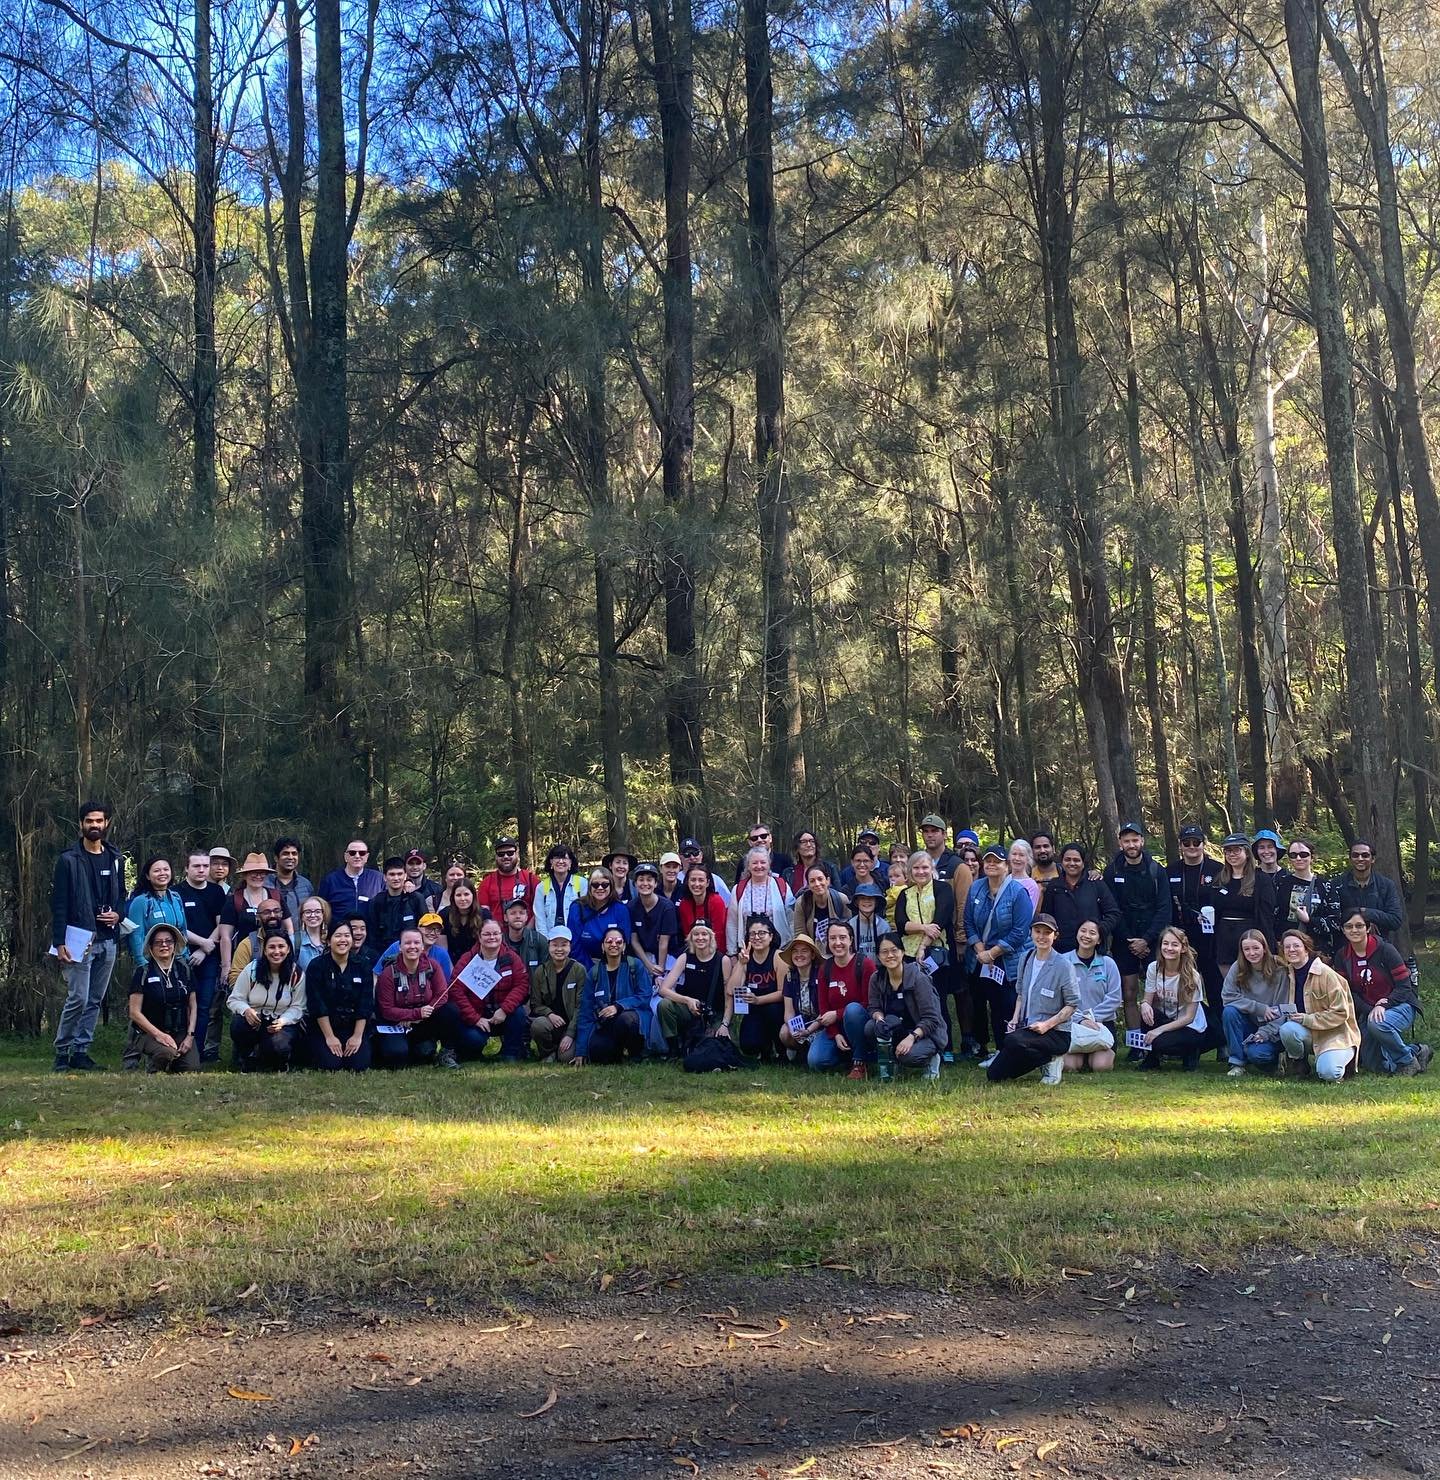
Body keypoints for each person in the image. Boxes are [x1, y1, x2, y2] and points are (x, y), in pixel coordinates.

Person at [51, 801, 126, 1072]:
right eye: (89, 821)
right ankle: (62, 1052)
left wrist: (117, 914)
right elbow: (58, 903)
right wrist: (59, 942)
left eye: (99, 821)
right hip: (78, 939)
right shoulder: (68, 860)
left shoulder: (116, 858)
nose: (94, 825)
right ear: (81, 824)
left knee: (95, 999)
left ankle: (81, 1051)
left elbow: (123, 896)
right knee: (78, 997)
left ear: (106, 824)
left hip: (108, 940)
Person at [1334, 911, 1430, 1077]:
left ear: (1368, 928)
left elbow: (1404, 986)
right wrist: (1370, 1009)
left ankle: (1407, 1061)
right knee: (1374, 1064)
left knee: (1377, 1024)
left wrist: (1383, 1004)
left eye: (1359, 926)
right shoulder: (1342, 956)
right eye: (1349, 926)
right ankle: (1417, 1050)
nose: (1354, 930)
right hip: (1368, 1010)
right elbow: (1347, 993)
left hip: (1401, 1005)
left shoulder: (1385, 949)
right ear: (1343, 930)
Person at [985, 915, 1079, 1084]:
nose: (1041, 937)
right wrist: (1014, 1019)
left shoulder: (1064, 966)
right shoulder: (1025, 958)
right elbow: (1020, 994)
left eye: (1047, 932)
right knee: (994, 1075)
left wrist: (1046, 1025)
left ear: (1055, 936)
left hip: (1056, 1033)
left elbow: (1072, 1004)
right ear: (1031, 933)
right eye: (1037, 931)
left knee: (1013, 1040)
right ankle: (1044, 1059)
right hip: (1027, 1030)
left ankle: (1052, 1060)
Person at [961, 845, 1033, 1061]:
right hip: (980, 957)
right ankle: (982, 1047)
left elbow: (1020, 931)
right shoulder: (976, 888)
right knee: (980, 1002)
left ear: (1006, 865)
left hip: (1007, 959)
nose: (992, 864)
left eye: (997, 861)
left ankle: (1007, 1049)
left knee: (1005, 1005)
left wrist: (993, 953)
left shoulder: (1018, 892)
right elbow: (968, 922)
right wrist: (979, 949)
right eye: (988, 861)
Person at [1104, 823, 1172, 1047]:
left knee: (1158, 993)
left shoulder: (1156, 870)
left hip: (1154, 940)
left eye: (1135, 840)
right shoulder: (1112, 871)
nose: (1131, 845)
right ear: (1120, 843)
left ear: (1142, 841)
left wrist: (1147, 939)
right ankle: (1135, 1044)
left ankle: (1158, 1041)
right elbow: (1112, 908)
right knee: (1129, 992)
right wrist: (1129, 940)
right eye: (1126, 841)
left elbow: (1164, 909)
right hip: (1125, 941)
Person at [1276, 929, 1361, 1081]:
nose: (1291, 950)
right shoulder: (1287, 974)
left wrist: (1307, 1019)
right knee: (1287, 1029)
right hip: (1308, 1033)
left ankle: (1346, 1059)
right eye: (1287, 947)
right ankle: (1299, 1063)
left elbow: (1341, 1013)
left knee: (1329, 1074)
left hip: (1334, 1035)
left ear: (1306, 948)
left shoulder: (1326, 974)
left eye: (1296, 946)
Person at [860, 933, 947, 1079]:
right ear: (878, 956)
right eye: (884, 952)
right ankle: (892, 1062)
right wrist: (879, 1019)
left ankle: (931, 1058)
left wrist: (912, 1038)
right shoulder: (876, 978)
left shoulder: (919, 979)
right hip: (898, 1027)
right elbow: (874, 1007)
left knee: (909, 1056)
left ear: (903, 952)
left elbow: (931, 1019)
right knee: (871, 1027)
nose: (890, 955)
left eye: (894, 950)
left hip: (925, 1033)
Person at [374, 926, 463, 1069]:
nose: (412, 947)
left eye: (416, 943)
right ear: (400, 947)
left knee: (451, 1010)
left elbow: (442, 995)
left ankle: (447, 1053)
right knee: (397, 1057)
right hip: (397, 1024)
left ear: (422, 946)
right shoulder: (388, 973)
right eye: (407, 943)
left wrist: (422, 1014)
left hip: (423, 1021)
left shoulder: (432, 966)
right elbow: (386, 1009)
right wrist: (412, 1015)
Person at [450, 918, 531, 1061]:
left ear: (501, 935)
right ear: (479, 937)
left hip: (503, 1015)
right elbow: (456, 990)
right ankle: (471, 1052)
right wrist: (475, 1018)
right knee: (473, 1041)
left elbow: (522, 985)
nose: (492, 937)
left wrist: (505, 1009)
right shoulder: (468, 959)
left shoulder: (511, 958)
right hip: (478, 1016)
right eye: (487, 934)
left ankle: (510, 1054)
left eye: (496, 933)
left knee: (518, 1013)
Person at [1167, 824, 1224, 1023]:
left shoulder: (1217, 869)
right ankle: (1189, 1035)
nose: (1192, 846)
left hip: (1211, 938)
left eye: (1196, 842)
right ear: (1181, 845)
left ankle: (1221, 1038)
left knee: (1214, 986)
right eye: (1187, 843)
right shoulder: (1171, 870)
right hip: (1181, 938)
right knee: (1185, 989)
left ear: (1203, 844)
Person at [227, 930, 305, 1072]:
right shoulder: (252, 969)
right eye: (272, 947)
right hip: (254, 1021)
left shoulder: (296, 974)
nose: (276, 951)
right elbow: (235, 999)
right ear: (264, 950)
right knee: (238, 1026)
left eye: (281, 946)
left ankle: (276, 1059)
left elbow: (298, 1007)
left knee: (278, 1045)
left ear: (288, 949)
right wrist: (246, 1010)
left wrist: (283, 1021)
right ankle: (247, 1057)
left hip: (281, 1024)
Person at [573, 924, 651, 1065]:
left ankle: (636, 1054)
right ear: (603, 946)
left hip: (633, 1018)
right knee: (597, 1054)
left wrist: (618, 1007)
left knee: (626, 1019)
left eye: (618, 941)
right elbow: (585, 1012)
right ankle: (616, 1053)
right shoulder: (594, 973)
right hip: (606, 1024)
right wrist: (581, 1050)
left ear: (624, 946)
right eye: (609, 941)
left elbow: (645, 996)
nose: (613, 944)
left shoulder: (635, 966)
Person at [127, 923, 199, 1074]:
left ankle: (171, 1064)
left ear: (175, 944)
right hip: (150, 1031)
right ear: (151, 947)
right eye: (158, 942)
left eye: (168, 941)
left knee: (191, 1068)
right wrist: (158, 1035)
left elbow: (192, 1005)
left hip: (179, 1030)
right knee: (167, 1053)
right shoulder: (143, 972)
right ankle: (152, 1066)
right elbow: (134, 1012)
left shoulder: (184, 969)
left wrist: (190, 1036)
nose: (164, 945)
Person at [808, 920, 876, 1075]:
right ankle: (847, 1055)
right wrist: (835, 1034)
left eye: (842, 937)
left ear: (851, 940)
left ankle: (860, 1061)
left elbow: (868, 1003)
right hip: (836, 1028)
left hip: (860, 1023)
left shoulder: (865, 965)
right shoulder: (825, 969)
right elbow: (824, 1009)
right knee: (816, 1061)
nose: (837, 943)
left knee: (852, 1009)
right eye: (832, 938)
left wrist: (838, 1014)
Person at [655, 920, 732, 1058]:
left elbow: (729, 995)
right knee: (664, 1005)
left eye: (704, 934)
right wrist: (687, 1000)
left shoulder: (723, 960)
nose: (700, 937)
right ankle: (674, 1049)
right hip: (689, 1009)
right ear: (690, 938)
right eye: (696, 934)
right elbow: (664, 989)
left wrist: (724, 1024)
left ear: (711, 937)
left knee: (716, 1046)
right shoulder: (685, 957)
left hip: (714, 1012)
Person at [1220, 929, 1292, 1077]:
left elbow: (1283, 1008)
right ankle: (1237, 1063)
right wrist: (1259, 1008)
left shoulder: (1279, 970)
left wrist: (1265, 1033)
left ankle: (1274, 1059)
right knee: (1229, 1011)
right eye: (1246, 949)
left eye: (1256, 948)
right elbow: (1228, 996)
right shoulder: (1237, 967)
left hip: (1274, 1028)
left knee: (1257, 1055)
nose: (1251, 953)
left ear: (1264, 948)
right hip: (1249, 1022)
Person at [1137, 925, 1209, 1070]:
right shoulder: (1153, 968)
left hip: (1190, 1026)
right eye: (1165, 943)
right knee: (1146, 1013)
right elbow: (1147, 1000)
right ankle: (1152, 1059)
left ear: (1182, 948)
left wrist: (1159, 1030)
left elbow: (1189, 1017)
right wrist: (1144, 1004)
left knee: (1159, 1042)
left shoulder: (1192, 976)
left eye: (1174, 944)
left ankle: (1191, 1052)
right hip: (1167, 1017)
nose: (1169, 948)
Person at [177, 850, 226, 1065]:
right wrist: (200, 943)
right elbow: (178, 926)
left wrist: (205, 949)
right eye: (196, 866)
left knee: (204, 1006)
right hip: (181, 955)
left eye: (205, 866)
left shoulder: (217, 892)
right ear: (186, 868)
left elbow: (222, 925)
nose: (202, 870)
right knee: (180, 1003)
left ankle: (195, 1052)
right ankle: (176, 1047)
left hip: (209, 958)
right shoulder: (176, 892)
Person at [305, 921, 374, 1072]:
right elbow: (317, 1004)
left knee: (359, 1065)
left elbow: (365, 1003)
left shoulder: (363, 965)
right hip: (325, 1027)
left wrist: (357, 1036)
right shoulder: (316, 966)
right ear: (329, 941)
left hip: (353, 1026)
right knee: (331, 1065)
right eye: (338, 936)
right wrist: (330, 1037)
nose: (343, 940)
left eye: (347, 936)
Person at [1211, 832, 1277, 978]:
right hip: (1224, 939)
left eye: (1236, 850)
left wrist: (1268, 947)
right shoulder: (1220, 879)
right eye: (1228, 851)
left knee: (1252, 983)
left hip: (1250, 940)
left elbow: (1267, 916)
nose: (1232, 854)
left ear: (1247, 852)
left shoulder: (1261, 879)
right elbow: (1214, 910)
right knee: (1230, 985)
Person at [1062, 919, 1122, 1073]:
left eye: (1092, 933)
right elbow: (1059, 999)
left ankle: (1092, 1057)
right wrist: (1080, 1019)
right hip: (1073, 1024)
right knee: (1069, 1066)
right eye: (1083, 931)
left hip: (1102, 1025)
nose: (1086, 935)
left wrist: (1091, 1018)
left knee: (1101, 1066)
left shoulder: (1108, 963)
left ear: (1099, 939)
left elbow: (1115, 998)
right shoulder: (1063, 961)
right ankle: (1082, 1056)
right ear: (1076, 934)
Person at [1040, 844, 1120, 954]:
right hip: (1061, 951)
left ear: (1083, 863)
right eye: (1067, 859)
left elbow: (1113, 913)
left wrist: (1099, 930)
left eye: (1076, 860)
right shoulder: (1054, 886)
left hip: (1092, 950)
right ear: (1062, 862)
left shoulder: (1096, 884)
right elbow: (1046, 917)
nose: (1072, 863)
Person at [219, 854, 286, 984]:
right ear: (245, 875)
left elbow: (288, 926)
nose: (258, 876)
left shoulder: (275, 895)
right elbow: (225, 936)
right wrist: (226, 966)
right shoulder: (234, 900)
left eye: (262, 873)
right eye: (253, 873)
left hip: (275, 953)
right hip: (244, 955)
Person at [728, 914, 787, 1060]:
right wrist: (741, 964)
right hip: (753, 1009)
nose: (757, 937)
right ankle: (765, 1049)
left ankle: (781, 1050)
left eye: (762, 933)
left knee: (773, 1011)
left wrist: (758, 1000)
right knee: (748, 1046)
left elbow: (783, 992)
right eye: (752, 934)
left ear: (771, 936)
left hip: (776, 1008)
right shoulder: (745, 957)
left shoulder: (778, 956)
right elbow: (731, 990)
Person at [528, 926, 588, 1062]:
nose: (559, 949)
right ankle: (548, 1052)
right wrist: (549, 1014)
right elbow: (535, 1004)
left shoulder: (579, 970)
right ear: (549, 946)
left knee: (566, 1058)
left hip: (572, 1024)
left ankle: (563, 1048)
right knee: (538, 1025)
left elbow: (581, 1007)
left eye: (564, 945)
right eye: (555, 945)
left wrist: (570, 1034)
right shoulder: (540, 971)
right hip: (551, 1023)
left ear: (570, 947)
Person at [122, 856, 192, 968]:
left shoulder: (176, 898)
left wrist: (185, 955)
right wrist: (142, 964)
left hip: (178, 960)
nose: (162, 873)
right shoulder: (141, 901)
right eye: (156, 870)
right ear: (147, 876)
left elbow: (183, 930)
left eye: (166, 869)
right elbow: (136, 935)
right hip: (151, 963)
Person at [1277, 838, 1340, 958]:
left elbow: (1335, 923)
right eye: (1293, 855)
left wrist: (1309, 920)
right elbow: (1274, 917)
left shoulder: (1325, 886)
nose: (1298, 858)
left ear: (1312, 857)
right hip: (1287, 950)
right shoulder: (1281, 884)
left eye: (1303, 854)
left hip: (1316, 951)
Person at [726, 848, 794, 953]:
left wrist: (792, 949)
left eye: (763, 862)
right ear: (748, 866)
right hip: (748, 951)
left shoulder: (782, 886)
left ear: (769, 864)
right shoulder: (739, 889)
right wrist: (732, 953)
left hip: (779, 950)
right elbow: (732, 923)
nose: (759, 866)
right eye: (754, 863)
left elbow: (792, 920)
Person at [1336, 841, 1405, 943]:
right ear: (1350, 859)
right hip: (1346, 947)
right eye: (1355, 855)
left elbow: (1395, 920)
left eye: (1365, 855)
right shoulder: (1337, 884)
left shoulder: (1386, 885)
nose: (1360, 859)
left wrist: (1366, 913)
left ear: (1372, 859)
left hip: (1380, 946)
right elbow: (1333, 919)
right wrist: (1362, 923)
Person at [566, 867, 634, 969]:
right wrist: (591, 971)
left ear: (611, 886)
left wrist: (609, 969)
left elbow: (624, 942)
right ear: (589, 886)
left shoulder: (621, 909)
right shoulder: (577, 908)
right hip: (584, 965)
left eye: (605, 884)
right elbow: (574, 945)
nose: (600, 888)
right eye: (595, 884)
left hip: (614, 964)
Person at [777, 933, 823, 1060]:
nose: (799, 955)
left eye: (804, 951)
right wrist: (793, 1029)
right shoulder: (790, 977)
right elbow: (789, 1012)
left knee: (817, 1059)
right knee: (784, 1032)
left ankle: (812, 1052)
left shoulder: (821, 975)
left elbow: (825, 1011)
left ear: (813, 955)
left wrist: (808, 1031)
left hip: (820, 1024)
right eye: (795, 951)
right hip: (802, 1021)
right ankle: (801, 1051)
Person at [629, 861, 679, 980]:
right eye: (641, 879)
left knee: (664, 990)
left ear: (656, 883)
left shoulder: (667, 907)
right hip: (643, 956)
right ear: (635, 883)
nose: (645, 883)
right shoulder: (631, 907)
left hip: (667, 956)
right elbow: (634, 940)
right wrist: (648, 965)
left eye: (649, 880)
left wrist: (659, 970)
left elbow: (663, 942)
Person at [225, 898, 288, 989]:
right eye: (266, 912)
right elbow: (234, 978)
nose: (272, 915)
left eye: (276, 911)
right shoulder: (248, 944)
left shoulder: (290, 941)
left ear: (282, 914)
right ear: (257, 917)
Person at [367, 856, 425, 954]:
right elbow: (372, 934)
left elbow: (424, 929)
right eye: (392, 874)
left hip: (411, 954)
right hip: (383, 955)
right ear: (385, 877)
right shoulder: (377, 901)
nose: (396, 878)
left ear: (405, 876)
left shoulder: (416, 899)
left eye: (399, 874)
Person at [317, 841, 385, 920]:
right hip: (339, 930)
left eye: (362, 853)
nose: (357, 856)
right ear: (346, 857)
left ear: (367, 857)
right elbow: (322, 909)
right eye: (352, 853)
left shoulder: (378, 879)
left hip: (370, 930)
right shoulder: (330, 880)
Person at [374, 911, 454, 978]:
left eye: (437, 930)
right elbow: (377, 972)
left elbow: (446, 984)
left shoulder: (442, 954)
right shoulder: (398, 946)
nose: (433, 933)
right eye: (428, 929)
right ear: (418, 928)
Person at [791, 866, 849, 957]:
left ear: (828, 881)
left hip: (838, 953)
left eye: (820, 879)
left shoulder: (841, 899)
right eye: (812, 881)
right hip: (814, 954)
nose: (817, 884)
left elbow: (848, 931)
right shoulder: (802, 903)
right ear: (808, 885)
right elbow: (800, 934)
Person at [479, 836, 539, 921]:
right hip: (497, 932)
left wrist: (527, 931)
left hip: (527, 931)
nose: (506, 856)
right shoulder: (486, 883)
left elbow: (540, 909)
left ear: (516, 854)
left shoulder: (530, 879)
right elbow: (484, 914)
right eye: (501, 854)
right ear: (496, 856)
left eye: (510, 853)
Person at [267, 837, 314, 928]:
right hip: (270, 938)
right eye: (285, 853)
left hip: (299, 938)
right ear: (276, 858)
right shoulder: (265, 883)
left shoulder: (305, 885)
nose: (290, 857)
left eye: (294, 854)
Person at [677, 863, 729, 941]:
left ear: (707, 883)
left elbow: (718, 934)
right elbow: (687, 934)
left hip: (715, 948)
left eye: (701, 880)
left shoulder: (716, 902)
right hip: (693, 947)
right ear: (687, 882)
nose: (697, 884)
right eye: (693, 880)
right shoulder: (684, 904)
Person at [497, 897, 545, 975]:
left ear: (526, 917)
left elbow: (546, 973)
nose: (518, 916)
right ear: (505, 917)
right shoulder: (499, 942)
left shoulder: (539, 940)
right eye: (513, 913)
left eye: (521, 913)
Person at [680, 838, 733, 905]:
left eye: (695, 853)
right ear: (680, 857)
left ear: (701, 855)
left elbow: (729, 905)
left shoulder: (715, 880)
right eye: (687, 854)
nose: (692, 857)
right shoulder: (675, 880)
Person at [849, 881, 893, 961]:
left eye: (870, 898)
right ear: (856, 902)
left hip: (879, 969)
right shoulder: (850, 925)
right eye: (862, 898)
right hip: (857, 969)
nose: (867, 901)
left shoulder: (884, 926)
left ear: (876, 902)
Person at [443, 881, 485, 963]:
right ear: (453, 897)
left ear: (473, 895)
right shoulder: (444, 914)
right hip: (451, 962)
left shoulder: (484, 915)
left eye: (466, 894)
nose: (463, 899)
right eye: (458, 895)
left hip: (478, 962)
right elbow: (443, 949)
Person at [919, 814, 966, 886]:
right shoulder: (916, 863)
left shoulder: (956, 865)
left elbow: (963, 896)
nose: (929, 835)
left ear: (944, 834)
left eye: (934, 831)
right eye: (926, 831)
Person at [294, 894, 331, 971]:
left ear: (324, 915)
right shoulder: (294, 940)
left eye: (317, 911)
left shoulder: (331, 939)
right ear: (302, 916)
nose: (313, 915)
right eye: (308, 912)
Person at [1007, 840, 1042, 910]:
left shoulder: (1032, 886)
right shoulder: (1003, 879)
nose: (1017, 858)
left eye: (1021, 855)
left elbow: (1028, 914)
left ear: (1028, 859)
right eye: (1014, 854)